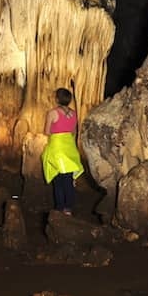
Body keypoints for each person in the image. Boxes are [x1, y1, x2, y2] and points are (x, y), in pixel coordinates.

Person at [41, 87, 85, 215]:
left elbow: (47, 131)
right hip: (70, 147)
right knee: (68, 180)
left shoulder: (52, 113)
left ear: (57, 99)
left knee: (58, 180)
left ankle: (60, 208)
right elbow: (72, 132)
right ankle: (69, 208)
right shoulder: (74, 114)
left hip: (57, 148)